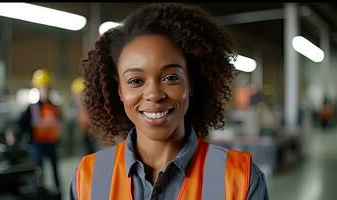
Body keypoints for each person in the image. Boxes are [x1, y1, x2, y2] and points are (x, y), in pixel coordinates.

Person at [69, 3, 268, 200]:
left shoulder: (241, 179)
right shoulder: (89, 177)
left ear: (191, 83)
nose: (154, 94)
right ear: (119, 90)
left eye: (171, 77)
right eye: (136, 81)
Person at [17, 69, 62, 195]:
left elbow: (57, 123)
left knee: (55, 170)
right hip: (37, 144)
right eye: (42, 88)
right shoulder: (32, 108)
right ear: (37, 89)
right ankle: (41, 193)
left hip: (51, 143)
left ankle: (59, 192)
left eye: (46, 88)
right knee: (39, 171)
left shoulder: (54, 107)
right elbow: (21, 124)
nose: (45, 91)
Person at [70, 76, 97, 154]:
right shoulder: (76, 109)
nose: (79, 98)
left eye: (81, 95)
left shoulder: (94, 109)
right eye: (77, 95)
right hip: (84, 140)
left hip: (93, 138)